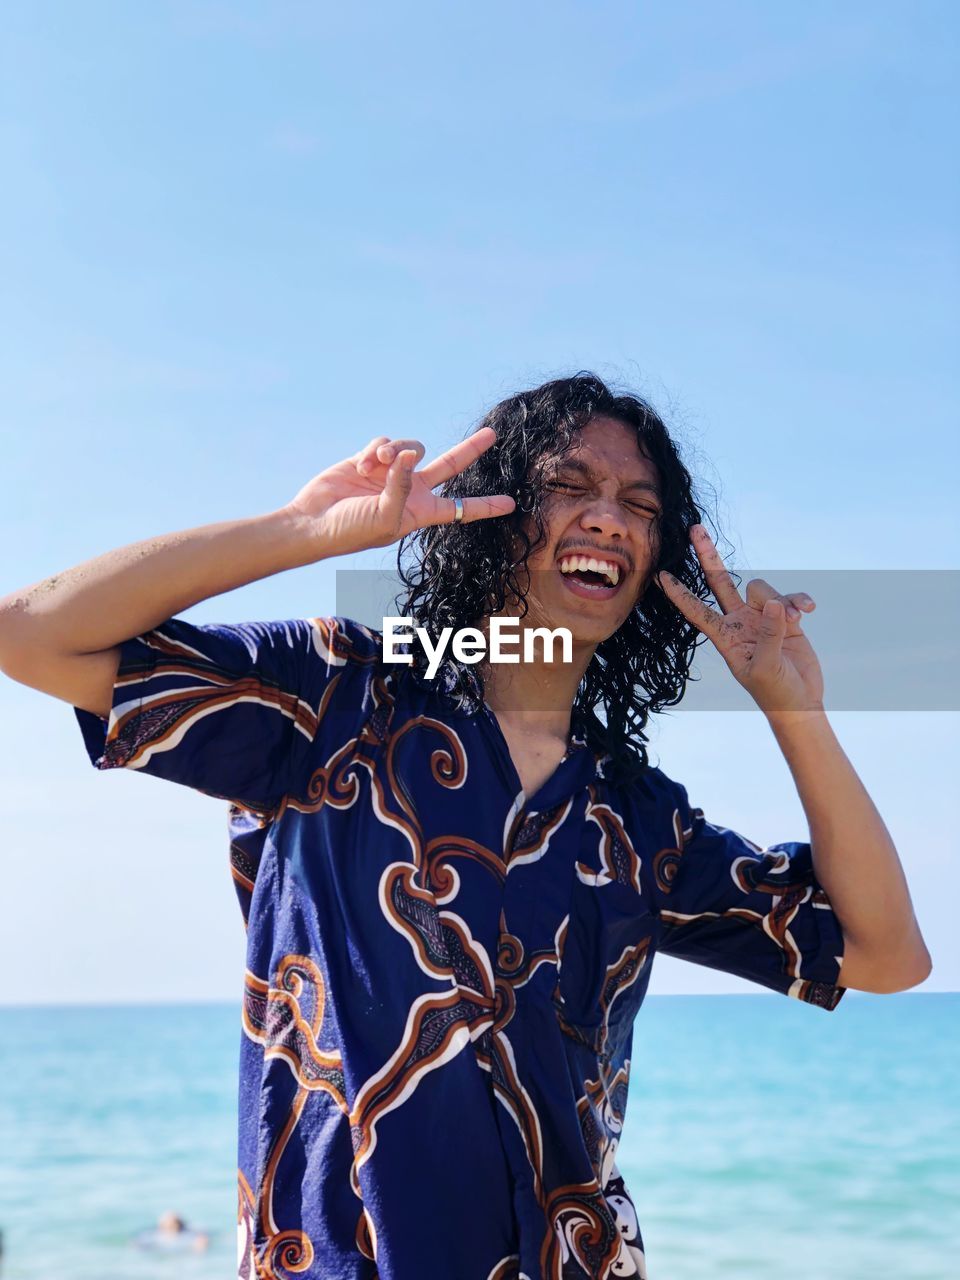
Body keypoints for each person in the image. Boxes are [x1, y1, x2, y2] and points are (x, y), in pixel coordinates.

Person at [0, 373, 931, 1279]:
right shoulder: (336, 698)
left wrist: (793, 713)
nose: (607, 516)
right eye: (568, 485)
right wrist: (302, 532)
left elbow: (887, 956)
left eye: (638, 504)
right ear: (490, 516)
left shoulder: (640, 820)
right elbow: (31, 634)